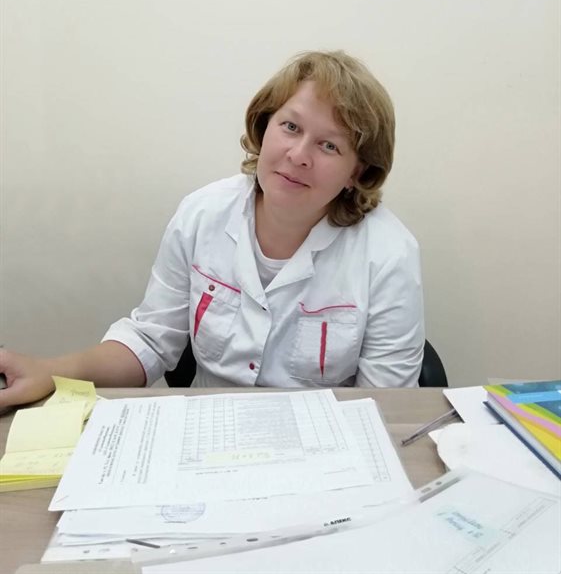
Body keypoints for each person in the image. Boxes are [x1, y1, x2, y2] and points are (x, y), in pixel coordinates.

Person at [0, 50, 425, 409]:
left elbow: (385, 405)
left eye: (329, 145)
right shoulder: (203, 213)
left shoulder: (388, 254)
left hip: (323, 449)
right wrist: (49, 373)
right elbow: (151, 341)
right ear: (264, 126)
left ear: (357, 172)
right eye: (291, 127)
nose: (298, 155)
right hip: (205, 438)